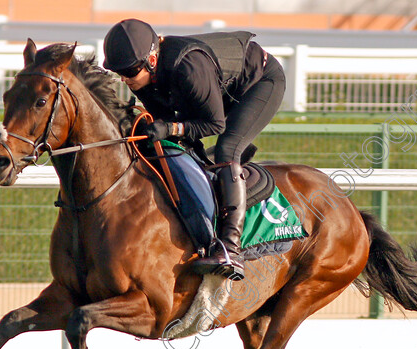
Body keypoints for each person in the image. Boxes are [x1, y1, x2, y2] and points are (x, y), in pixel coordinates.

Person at [102, 19, 286, 281]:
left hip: (260, 82)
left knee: (227, 149)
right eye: (119, 72)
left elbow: (214, 123)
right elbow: (163, 119)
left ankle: (230, 247)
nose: (124, 78)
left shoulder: (188, 68)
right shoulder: (144, 78)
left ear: (152, 59)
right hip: (219, 86)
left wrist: (170, 129)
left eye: (130, 71)